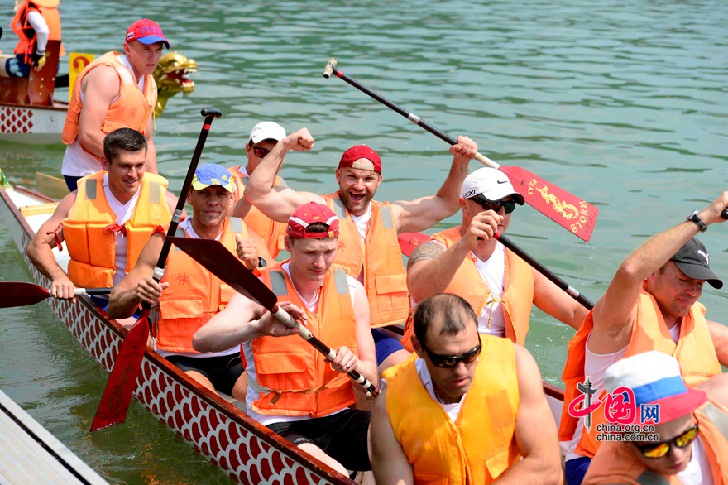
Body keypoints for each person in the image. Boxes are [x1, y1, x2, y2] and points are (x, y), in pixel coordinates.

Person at [243, 127, 477, 370]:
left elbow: (447, 204)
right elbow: (257, 193)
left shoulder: (391, 216)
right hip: (329, 328)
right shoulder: (317, 209)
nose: (359, 186)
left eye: (368, 179)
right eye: (352, 177)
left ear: (379, 181)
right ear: (338, 176)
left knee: (414, 370)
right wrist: (285, 145)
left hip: (383, 329)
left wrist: (460, 162)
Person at [193, 202, 377, 476]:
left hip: (338, 416)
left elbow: (371, 373)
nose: (320, 263)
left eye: (328, 252)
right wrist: (258, 329)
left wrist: (355, 367)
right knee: (334, 473)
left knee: (409, 444)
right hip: (278, 421)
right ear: (288, 244)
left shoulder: (352, 291)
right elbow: (202, 340)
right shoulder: (258, 290)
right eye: (310, 253)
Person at [560, 192, 728, 485]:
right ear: (653, 272)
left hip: (678, 447)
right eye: (684, 279)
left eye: (699, 284)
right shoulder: (619, 322)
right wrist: (706, 217)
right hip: (600, 458)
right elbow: (629, 271)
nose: (692, 291)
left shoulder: (701, 328)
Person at [107, 163, 269, 399]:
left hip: (233, 356)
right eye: (204, 193)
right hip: (179, 357)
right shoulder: (165, 241)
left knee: (261, 398)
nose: (213, 201)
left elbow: (282, 294)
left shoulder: (243, 235)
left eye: (220, 194)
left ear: (231, 198)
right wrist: (136, 295)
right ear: (190, 197)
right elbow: (114, 306)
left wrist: (259, 266)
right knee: (206, 399)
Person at [370, 293, 563, 484]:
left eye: (471, 355)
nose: (461, 370)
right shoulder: (389, 407)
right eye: (447, 361)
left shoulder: (516, 364)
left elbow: (546, 467)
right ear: (418, 347)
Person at [403, 167, 588, 350]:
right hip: (445, 363)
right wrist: (464, 245)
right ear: (465, 206)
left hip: (499, 364)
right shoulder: (435, 248)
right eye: (491, 205)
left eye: (508, 206)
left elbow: (573, 312)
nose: (500, 215)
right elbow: (418, 291)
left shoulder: (519, 263)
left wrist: (611, 328)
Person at [26, 128, 176, 318]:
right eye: (125, 166)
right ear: (105, 163)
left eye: (139, 165)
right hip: (98, 300)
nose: (133, 174)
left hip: (150, 301)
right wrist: (59, 278)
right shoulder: (77, 200)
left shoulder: (168, 202)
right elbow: (37, 245)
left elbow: (192, 252)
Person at [583, 351, 728, 484]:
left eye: (686, 437)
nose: (677, 455)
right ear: (625, 439)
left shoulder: (713, 409)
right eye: (656, 448)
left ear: (691, 413)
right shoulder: (613, 480)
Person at [60, 18, 170, 192]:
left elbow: (147, 139)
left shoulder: (149, 82)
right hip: (86, 173)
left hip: (126, 172)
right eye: (146, 49)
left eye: (158, 50)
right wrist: (128, 163)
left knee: (159, 203)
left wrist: (155, 184)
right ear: (128, 49)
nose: (153, 57)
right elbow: (88, 135)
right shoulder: (107, 75)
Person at [228, 121, 289, 260]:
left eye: (275, 154)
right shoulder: (227, 182)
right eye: (261, 152)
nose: (268, 160)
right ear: (248, 149)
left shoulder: (283, 187)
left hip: (265, 268)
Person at [1, 0, 64, 78]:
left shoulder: (32, 12)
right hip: (53, 66)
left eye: (17, 3)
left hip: (29, 67)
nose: (15, 8)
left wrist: (40, 54)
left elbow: (43, 31)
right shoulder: (50, 10)